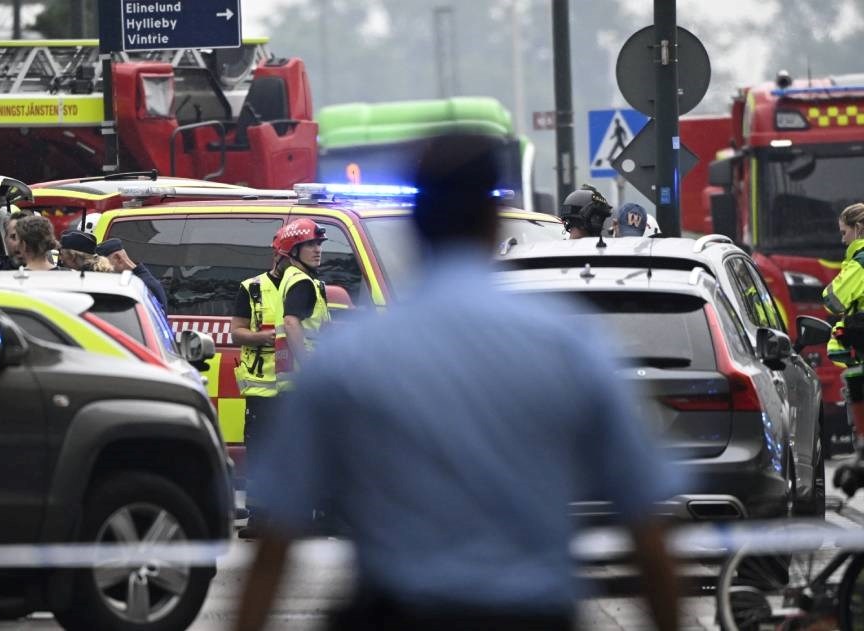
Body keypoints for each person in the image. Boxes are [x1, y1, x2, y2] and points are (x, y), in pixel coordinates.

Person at [235, 133, 680, 631]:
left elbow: (275, 543)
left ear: (417, 226)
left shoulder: (350, 357)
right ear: (492, 226)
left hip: (397, 612)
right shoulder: (569, 346)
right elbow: (649, 532)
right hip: (532, 615)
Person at [229, 247, 285, 538]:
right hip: (261, 383)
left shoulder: (306, 286)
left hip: (293, 383)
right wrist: (260, 337)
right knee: (260, 450)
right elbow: (235, 331)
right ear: (277, 256)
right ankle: (258, 517)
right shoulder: (252, 288)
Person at [272, 218, 331, 382]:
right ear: (294, 251)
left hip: (291, 378)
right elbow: (291, 322)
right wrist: (307, 367)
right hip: (304, 378)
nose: (317, 249)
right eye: (310, 244)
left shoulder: (291, 277)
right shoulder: (302, 282)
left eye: (319, 244)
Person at [824, 203, 864, 366]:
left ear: (858, 228)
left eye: (844, 232)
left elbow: (832, 300)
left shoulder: (860, 263)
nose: (843, 240)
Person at [97, 238, 169, 312]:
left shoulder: (143, 286)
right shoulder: (140, 280)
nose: (105, 270)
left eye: (105, 264)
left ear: (118, 258)